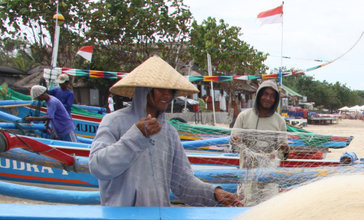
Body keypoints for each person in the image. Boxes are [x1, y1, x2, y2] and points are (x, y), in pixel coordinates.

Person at [88, 55, 243, 207]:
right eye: (160, 89)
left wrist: (214, 193)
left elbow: (183, 183)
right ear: (145, 89)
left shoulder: (169, 132)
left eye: (171, 90)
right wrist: (136, 136)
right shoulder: (114, 122)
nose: (167, 95)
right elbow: (98, 166)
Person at [229, 80, 289, 205]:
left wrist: (284, 149)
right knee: (247, 206)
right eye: (265, 94)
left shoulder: (280, 121)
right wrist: (235, 141)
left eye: (272, 96)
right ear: (258, 95)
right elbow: (233, 146)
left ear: (276, 100)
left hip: (269, 176)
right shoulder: (244, 116)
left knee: (269, 208)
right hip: (247, 174)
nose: (268, 98)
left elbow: (283, 156)